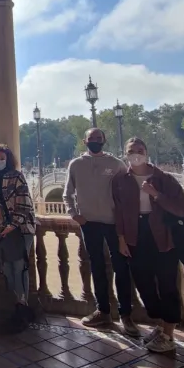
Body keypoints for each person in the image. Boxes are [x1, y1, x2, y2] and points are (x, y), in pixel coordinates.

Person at [113, 138, 184, 353]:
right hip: (135, 236)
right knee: (143, 284)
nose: (136, 154)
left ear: (146, 153)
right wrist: (121, 238)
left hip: (163, 237)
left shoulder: (164, 179)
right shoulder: (121, 181)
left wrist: (156, 194)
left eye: (140, 150)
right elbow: (118, 212)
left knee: (167, 285)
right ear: (125, 153)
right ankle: (159, 323)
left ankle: (169, 334)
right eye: (131, 151)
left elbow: (183, 209)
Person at [63, 128, 138, 337]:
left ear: (104, 140)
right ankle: (103, 311)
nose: (95, 141)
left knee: (121, 267)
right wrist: (74, 215)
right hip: (89, 224)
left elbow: (129, 189)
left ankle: (126, 314)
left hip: (114, 223)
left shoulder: (115, 164)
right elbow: (67, 193)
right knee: (96, 266)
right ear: (84, 141)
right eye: (91, 138)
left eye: (99, 138)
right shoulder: (76, 165)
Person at [0, 144, 36, 331]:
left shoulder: (17, 176)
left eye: (2, 157)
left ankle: (22, 306)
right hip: (2, 229)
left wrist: (12, 226)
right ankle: (17, 301)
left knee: (19, 267)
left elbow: (25, 203)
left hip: (21, 228)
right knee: (6, 267)